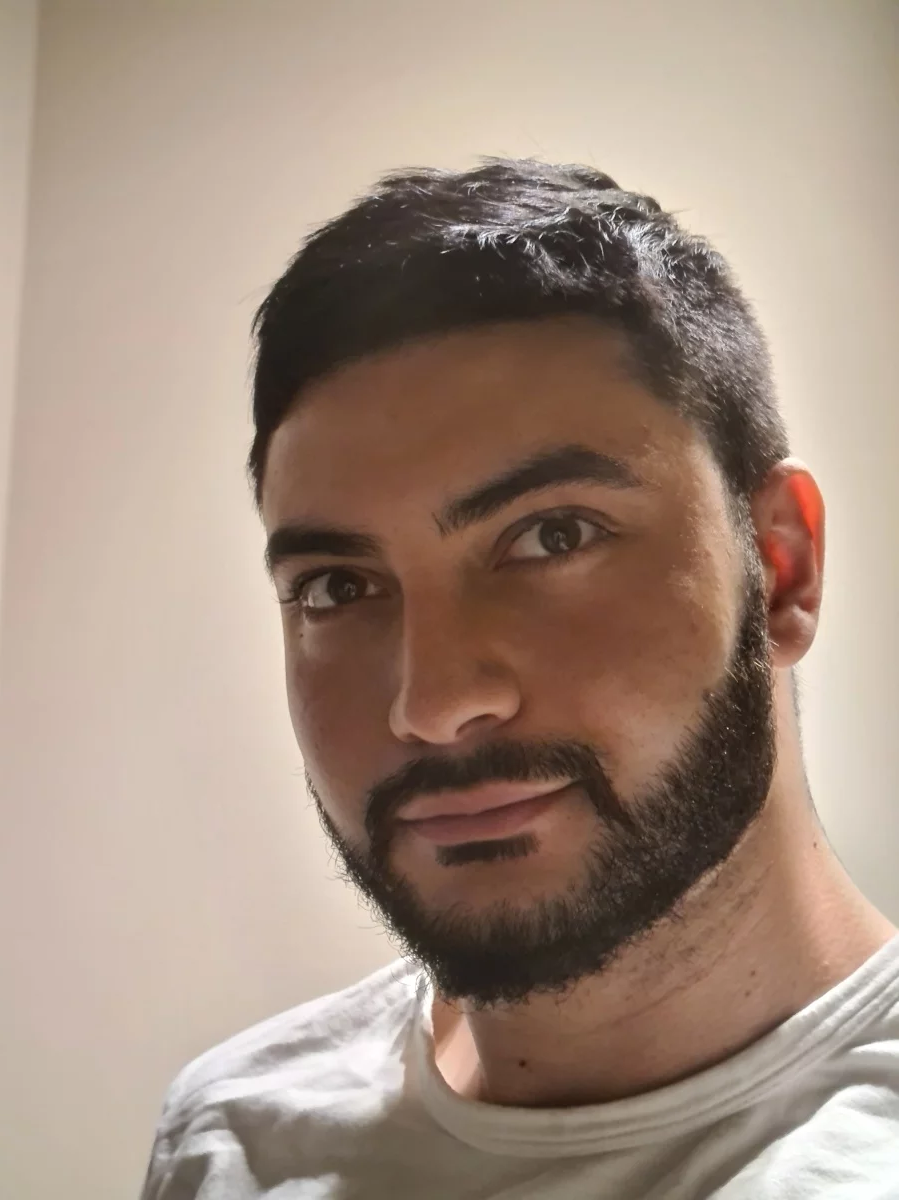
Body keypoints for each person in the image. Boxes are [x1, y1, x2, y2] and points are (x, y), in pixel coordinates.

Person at [141, 159, 899, 1199]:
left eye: (553, 536)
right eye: (336, 587)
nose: (432, 703)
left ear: (780, 567)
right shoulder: (232, 1141)